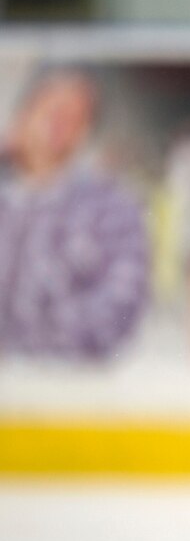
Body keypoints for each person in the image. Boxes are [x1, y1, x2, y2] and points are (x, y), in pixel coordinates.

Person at [0, 67, 149, 360]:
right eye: (50, 108)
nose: (58, 123)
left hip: (66, 389)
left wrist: (17, 347)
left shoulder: (113, 208)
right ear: (24, 112)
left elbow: (117, 310)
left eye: (74, 116)